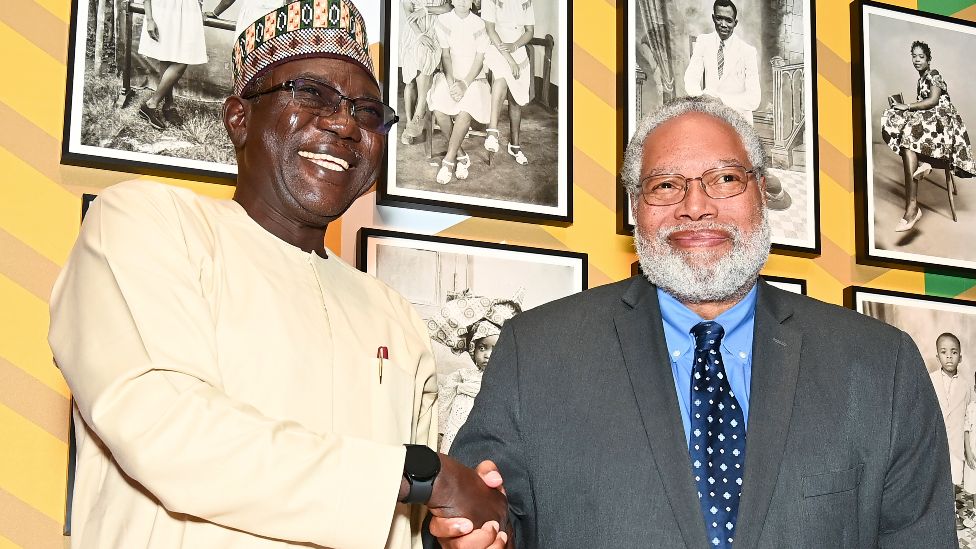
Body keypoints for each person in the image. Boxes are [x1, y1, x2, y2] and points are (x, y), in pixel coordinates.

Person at [49, 0, 508, 546]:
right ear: (239, 118)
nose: (344, 123)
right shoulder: (146, 225)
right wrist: (422, 475)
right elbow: (166, 432)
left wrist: (454, 530)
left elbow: (397, 527)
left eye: (367, 111)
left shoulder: (396, 316)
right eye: (312, 94)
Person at [433, 96, 956, 548]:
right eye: (665, 186)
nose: (696, 206)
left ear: (761, 192)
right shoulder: (537, 351)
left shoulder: (881, 366)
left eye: (724, 178)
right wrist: (477, 537)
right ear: (636, 206)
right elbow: (483, 521)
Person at [881, 40, 976, 233]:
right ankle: (915, 200)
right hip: (931, 126)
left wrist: (907, 106)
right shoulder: (921, 79)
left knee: (909, 130)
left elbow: (932, 101)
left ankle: (924, 168)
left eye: (921, 56)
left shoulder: (934, 74)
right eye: (914, 56)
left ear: (929, 59)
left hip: (944, 123)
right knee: (906, 138)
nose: (916, 60)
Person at [427, 290, 523, 453]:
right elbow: (445, 401)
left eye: (495, 348)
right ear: (473, 349)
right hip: (459, 424)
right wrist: (441, 430)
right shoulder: (463, 376)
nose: (487, 355)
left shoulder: (509, 380)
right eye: (482, 348)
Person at [426, 0, 491, 184]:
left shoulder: (479, 23)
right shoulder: (444, 20)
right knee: (439, 106)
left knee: (466, 109)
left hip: (473, 77)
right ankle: (460, 154)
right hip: (451, 74)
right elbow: (446, 55)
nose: (462, 2)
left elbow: (479, 58)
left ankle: (448, 161)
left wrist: (464, 84)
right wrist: (450, 82)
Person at [683, 0, 760, 124]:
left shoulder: (748, 51)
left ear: (735, 23)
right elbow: (691, 79)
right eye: (719, 18)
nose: (723, 24)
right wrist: (702, 98)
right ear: (713, 18)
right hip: (709, 114)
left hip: (738, 119)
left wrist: (721, 101)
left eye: (728, 20)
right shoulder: (703, 42)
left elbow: (754, 99)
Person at [137, 0, 208, 129]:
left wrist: (199, 9)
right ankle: (161, 105)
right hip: (165, 8)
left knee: (183, 58)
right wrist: (149, 19)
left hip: (188, 9)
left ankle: (160, 105)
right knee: (166, 56)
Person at [481, 0, 535, 166]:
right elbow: (490, 29)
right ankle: (492, 132)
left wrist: (516, 45)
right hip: (498, 48)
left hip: (517, 49)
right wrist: (510, 59)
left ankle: (515, 146)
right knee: (502, 78)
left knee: (516, 101)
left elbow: (529, 31)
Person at [398, 0, 452, 145]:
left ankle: (419, 112)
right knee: (409, 81)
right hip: (414, 30)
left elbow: (448, 7)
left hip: (435, 28)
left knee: (425, 53)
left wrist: (426, 10)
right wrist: (419, 35)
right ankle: (410, 121)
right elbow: (408, 12)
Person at [930, 332, 972, 489]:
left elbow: (968, 417)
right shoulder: (930, 380)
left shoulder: (966, 385)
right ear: (937, 357)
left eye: (954, 352)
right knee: (934, 481)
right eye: (943, 352)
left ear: (960, 357)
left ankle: (951, 509)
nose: (949, 356)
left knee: (953, 480)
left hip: (956, 444)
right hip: (935, 442)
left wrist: (968, 448)